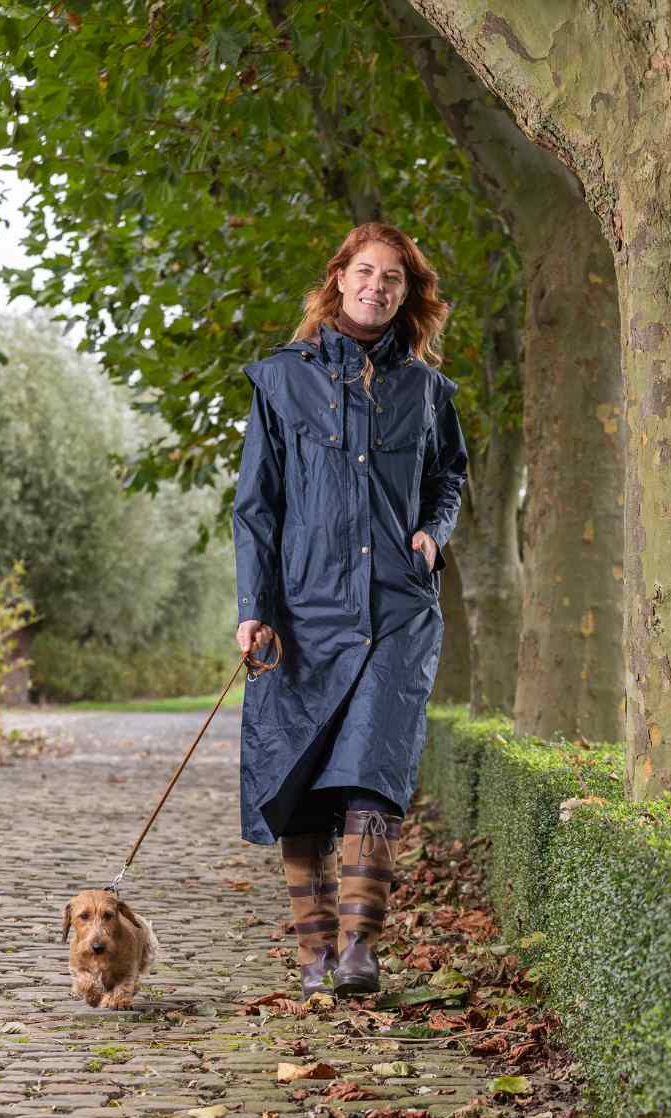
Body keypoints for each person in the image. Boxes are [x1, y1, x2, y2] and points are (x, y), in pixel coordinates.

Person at [232, 222, 468, 1000]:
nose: (377, 286)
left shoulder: (428, 391)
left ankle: (359, 950)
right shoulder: (279, 380)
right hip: (301, 614)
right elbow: (257, 506)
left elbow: (449, 475)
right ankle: (313, 955)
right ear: (338, 278)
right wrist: (254, 608)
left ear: (408, 293)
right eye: (365, 272)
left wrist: (435, 533)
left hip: (398, 610)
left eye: (393, 278)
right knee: (296, 781)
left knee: (375, 770)